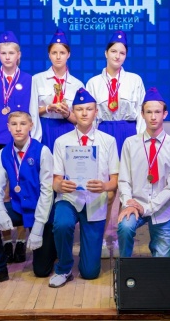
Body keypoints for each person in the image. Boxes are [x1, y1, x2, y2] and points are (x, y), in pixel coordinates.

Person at [0, 111, 57, 287]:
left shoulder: (43, 151)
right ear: (8, 127)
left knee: (41, 271)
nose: (18, 128)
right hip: (19, 207)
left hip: (41, 211)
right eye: (14, 124)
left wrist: (38, 226)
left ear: (31, 126)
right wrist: (0, 212)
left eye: (23, 124)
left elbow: (47, 191)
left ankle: (52, 249)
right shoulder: (2, 154)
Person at [49, 88, 119, 288]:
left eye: (89, 109)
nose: (84, 113)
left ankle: (86, 260)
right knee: (62, 224)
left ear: (96, 112)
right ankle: (64, 268)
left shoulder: (108, 141)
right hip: (69, 198)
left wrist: (104, 186)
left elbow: (115, 180)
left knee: (90, 273)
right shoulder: (62, 142)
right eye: (79, 109)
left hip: (95, 202)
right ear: (73, 112)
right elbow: (55, 180)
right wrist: (60, 185)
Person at [0, 31, 41, 262]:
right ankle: (6, 240)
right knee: (0, 191)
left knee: (25, 189)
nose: (7, 57)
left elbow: (33, 111)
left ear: (19, 55)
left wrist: (34, 141)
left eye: (11, 53)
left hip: (23, 142)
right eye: (3, 53)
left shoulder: (29, 79)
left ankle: (22, 240)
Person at [85, 30, 145, 258]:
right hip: (103, 135)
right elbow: (90, 115)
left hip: (128, 133)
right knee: (105, 191)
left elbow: (141, 113)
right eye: (113, 51)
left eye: (122, 52)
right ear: (105, 53)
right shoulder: (93, 82)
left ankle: (121, 237)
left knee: (125, 187)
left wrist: (139, 141)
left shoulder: (134, 80)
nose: (117, 56)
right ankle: (99, 238)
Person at [117, 88, 170, 258]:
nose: (153, 117)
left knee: (162, 265)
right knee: (125, 227)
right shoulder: (130, 143)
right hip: (135, 205)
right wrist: (128, 203)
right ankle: (123, 265)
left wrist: (148, 208)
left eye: (157, 112)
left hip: (162, 210)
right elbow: (124, 180)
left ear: (165, 114)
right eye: (148, 112)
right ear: (142, 114)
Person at [33, 28, 84, 151]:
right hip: (43, 128)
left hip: (68, 129)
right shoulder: (36, 80)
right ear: (49, 55)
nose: (58, 57)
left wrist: (67, 114)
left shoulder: (77, 85)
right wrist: (47, 108)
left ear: (68, 55)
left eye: (62, 53)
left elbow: (81, 120)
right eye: (54, 53)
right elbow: (29, 112)